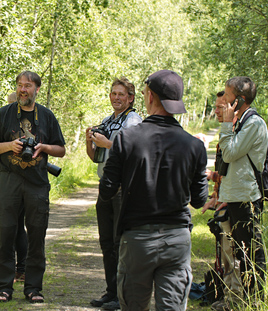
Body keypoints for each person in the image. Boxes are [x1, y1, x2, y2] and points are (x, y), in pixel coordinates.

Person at [99, 70, 208, 310]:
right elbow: (200, 200)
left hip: (137, 238)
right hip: (177, 240)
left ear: (149, 96)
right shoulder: (194, 145)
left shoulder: (126, 139)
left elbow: (107, 190)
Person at [0, 71, 66, 303]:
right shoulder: (4, 113)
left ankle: (33, 288)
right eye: (20, 85)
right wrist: (10, 145)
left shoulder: (47, 116)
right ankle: (3, 288)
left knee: (37, 234)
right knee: (6, 232)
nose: (22, 90)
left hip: (37, 183)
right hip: (9, 180)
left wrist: (44, 148)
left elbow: (61, 149)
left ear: (36, 89)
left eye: (27, 86)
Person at [85, 77, 142, 310]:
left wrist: (107, 144)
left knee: (121, 243)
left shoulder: (134, 120)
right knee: (106, 242)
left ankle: (122, 295)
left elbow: (134, 151)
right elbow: (94, 157)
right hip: (105, 185)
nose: (116, 98)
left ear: (130, 98)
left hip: (124, 187)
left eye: (121, 94)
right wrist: (90, 140)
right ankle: (111, 291)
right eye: (113, 93)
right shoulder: (107, 121)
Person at [216, 76, 267, 304]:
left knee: (251, 253)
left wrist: (226, 125)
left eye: (227, 96)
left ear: (239, 100)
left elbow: (230, 153)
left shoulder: (254, 123)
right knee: (240, 253)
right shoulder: (241, 121)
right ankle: (244, 300)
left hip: (247, 197)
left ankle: (255, 300)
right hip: (235, 195)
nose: (223, 99)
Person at [202, 91, 242, 311]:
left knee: (233, 253)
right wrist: (215, 198)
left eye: (220, 107)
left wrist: (212, 177)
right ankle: (226, 296)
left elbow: (232, 171)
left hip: (235, 205)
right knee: (225, 254)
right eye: (215, 107)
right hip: (224, 204)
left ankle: (234, 299)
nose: (216, 111)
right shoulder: (226, 133)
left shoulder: (236, 133)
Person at [0, 91, 28, 283]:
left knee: (9, 228)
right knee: (19, 227)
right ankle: (22, 269)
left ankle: (16, 269)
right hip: (24, 183)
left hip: (12, 183)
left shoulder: (12, 126)